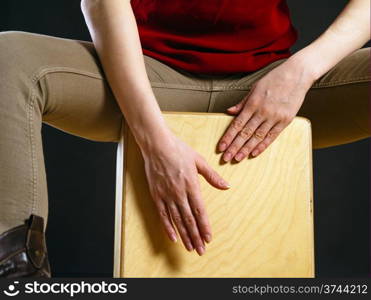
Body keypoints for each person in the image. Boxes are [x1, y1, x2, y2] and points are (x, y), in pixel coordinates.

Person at [0, 0, 369, 277]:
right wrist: (154, 141)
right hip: (146, 76)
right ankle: (15, 276)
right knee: (10, 56)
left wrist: (301, 72)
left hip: (268, 83)